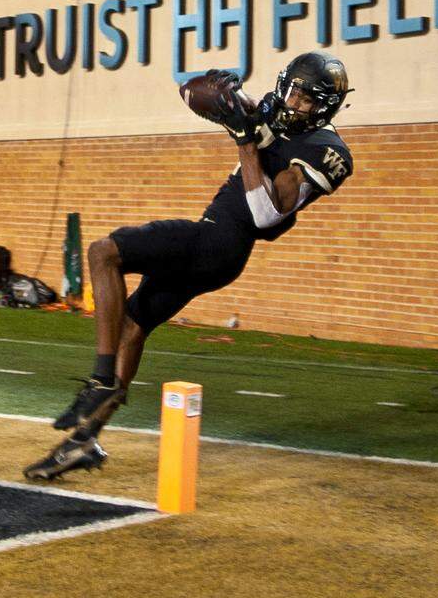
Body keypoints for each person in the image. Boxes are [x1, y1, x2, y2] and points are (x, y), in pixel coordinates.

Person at [24, 51, 355, 480]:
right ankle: (84, 441)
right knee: (132, 326)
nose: (292, 103)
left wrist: (243, 138)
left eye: (305, 99)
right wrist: (220, 93)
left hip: (219, 243)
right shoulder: (273, 112)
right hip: (214, 246)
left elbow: (264, 215)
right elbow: (200, 94)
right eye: (291, 91)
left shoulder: (327, 151)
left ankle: (102, 380)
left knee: (103, 252)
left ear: (326, 106)